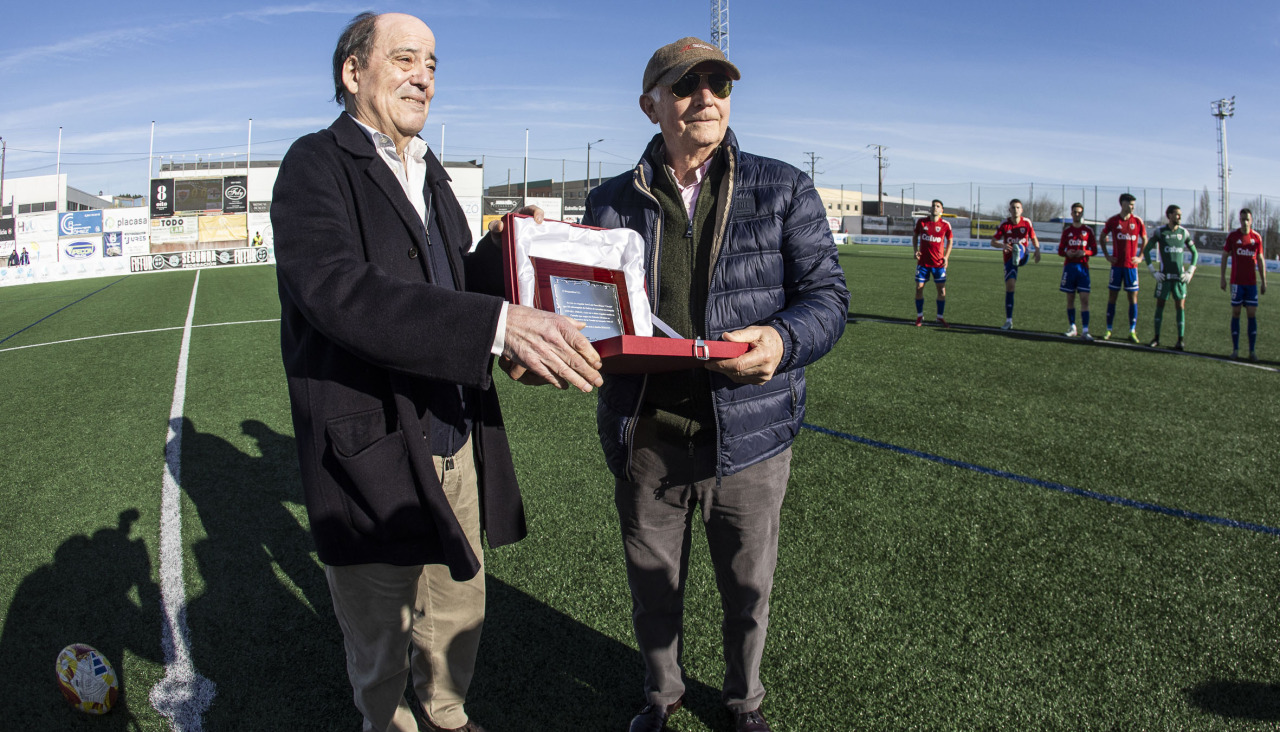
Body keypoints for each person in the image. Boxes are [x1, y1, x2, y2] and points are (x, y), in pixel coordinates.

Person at [270, 12, 603, 732]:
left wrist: (515, 247)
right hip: (372, 455)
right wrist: (495, 325)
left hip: (457, 444)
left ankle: (447, 717)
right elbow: (340, 291)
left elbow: (456, 281)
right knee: (381, 648)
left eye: (432, 63)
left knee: (457, 621)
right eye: (404, 59)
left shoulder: (432, 174)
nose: (422, 75)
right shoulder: (313, 166)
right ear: (353, 74)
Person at [582, 37, 849, 732]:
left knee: (747, 589)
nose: (706, 97)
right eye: (686, 85)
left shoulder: (783, 186)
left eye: (719, 84)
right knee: (652, 588)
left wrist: (783, 342)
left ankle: (742, 704)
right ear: (651, 105)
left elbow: (827, 297)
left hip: (752, 434)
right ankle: (662, 696)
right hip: (648, 432)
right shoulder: (608, 202)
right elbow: (582, 313)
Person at [1142, 205, 1198, 350]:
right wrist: (1153, 271)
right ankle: (1156, 338)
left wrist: (1190, 271)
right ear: (1169, 216)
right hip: (1164, 277)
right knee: (1160, 306)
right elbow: (1147, 250)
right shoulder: (1160, 232)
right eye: (1177, 214)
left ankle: (1180, 340)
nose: (1179, 217)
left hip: (1179, 279)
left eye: (1180, 214)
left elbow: (1195, 253)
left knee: (1180, 306)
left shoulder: (1184, 233)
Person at [1098, 192, 1146, 342]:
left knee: (1133, 297)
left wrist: (1140, 257)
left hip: (1131, 267)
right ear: (1122, 204)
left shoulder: (1137, 221)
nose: (1132, 207)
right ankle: (1108, 329)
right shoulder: (1113, 221)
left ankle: (1132, 330)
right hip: (1117, 266)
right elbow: (1101, 237)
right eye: (1130, 204)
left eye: (1133, 204)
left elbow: (1145, 239)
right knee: (1113, 297)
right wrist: (1107, 255)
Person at [1220, 208, 1267, 361]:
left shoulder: (1256, 238)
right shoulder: (1233, 237)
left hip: (1251, 283)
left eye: (1247, 219)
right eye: (1242, 219)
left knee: (1252, 314)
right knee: (1236, 313)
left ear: (1251, 220)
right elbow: (1225, 256)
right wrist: (1223, 277)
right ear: (1239, 220)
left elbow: (1260, 260)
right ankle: (1235, 349)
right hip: (1236, 283)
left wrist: (1263, 281)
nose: (1245, 222)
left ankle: (1252, 351)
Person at [990, 199, 1040, 330]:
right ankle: (1009, 320)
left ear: (1022, 210)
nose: (1015, 210)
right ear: (1009, 210)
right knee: (1010, 287)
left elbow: (1033, 237)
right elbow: (993, 242)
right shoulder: (1005, 224)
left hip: (1024, 255)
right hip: (1009, 258)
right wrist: (1003, 245)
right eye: (1013, 207)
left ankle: (1019, 252)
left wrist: (1038, 250)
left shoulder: (1026, 222)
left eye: (1018, 207)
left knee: (1018, 247)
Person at [1058, 202, 1096, 340]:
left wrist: (1084, 252)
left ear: (1082, 213)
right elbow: (1060, 251)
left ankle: (1085, 330)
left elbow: (1094, 250)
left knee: (1085, 299)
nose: (1077, 214)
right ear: (1071, 213)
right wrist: (1068, 253)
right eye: (1075, 212)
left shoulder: (1088, 231)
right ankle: (1073, 327)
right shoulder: (1067, 231)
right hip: (1069, 268)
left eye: (1079, 212)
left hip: (1083, 269)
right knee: (1070, 299)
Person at [913, 199, 953, 327]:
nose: (935, 208)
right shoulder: (922, 222)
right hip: (923, 263)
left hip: (938, 264)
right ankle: (920, 316)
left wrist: (946, 257)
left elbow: (950, 241)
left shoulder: (946, 225)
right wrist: (916, 250)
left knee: (941, 291)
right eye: (933, 206)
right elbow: (915, 236)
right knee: (919, 289)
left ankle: (939, 317)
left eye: (938, 206)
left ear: (942, 210)